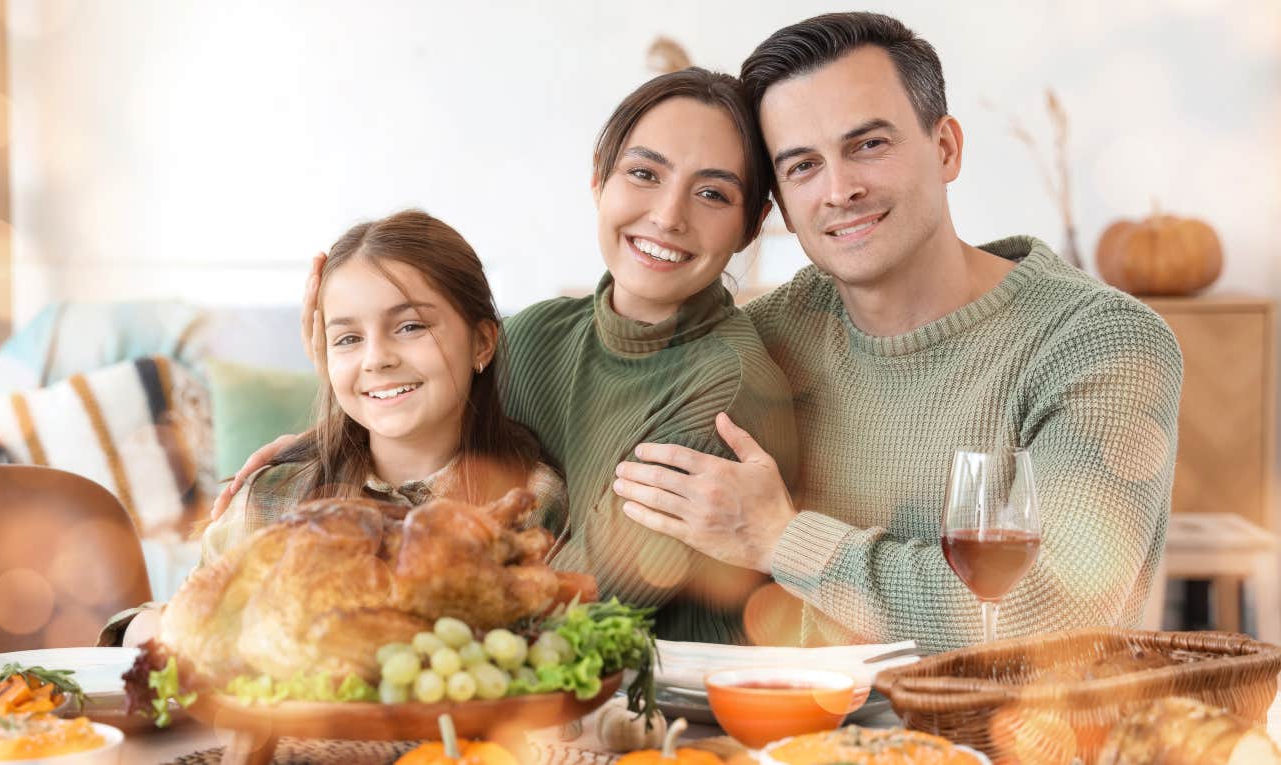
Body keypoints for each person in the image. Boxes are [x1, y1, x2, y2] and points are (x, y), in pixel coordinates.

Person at [610, 12, 1183, 652]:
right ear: (780, 207)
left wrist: (781, 540)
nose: (840, 189)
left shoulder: (1096, 342)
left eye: (868, 145)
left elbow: (1049, 612)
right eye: (802, 166)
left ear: (945, 149)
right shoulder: (767, 338)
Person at [218, 68, 800, 645]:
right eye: (644, 173)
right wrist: (322, 438)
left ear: (751, 226)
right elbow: (421, 399)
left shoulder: (725, 387)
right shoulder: (538, 332)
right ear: (599, 180)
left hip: (650, 703)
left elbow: (561, 605)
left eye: (711, 193)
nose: (670, 215)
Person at [108, 209, 565, 648]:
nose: (376, 358)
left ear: (482, 342)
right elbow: (182, 626)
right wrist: (152, 630)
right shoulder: (268, 499)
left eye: (409, 326)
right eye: (348, 338)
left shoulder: (532, 500)